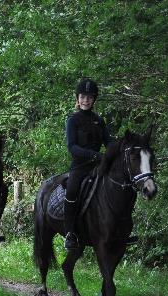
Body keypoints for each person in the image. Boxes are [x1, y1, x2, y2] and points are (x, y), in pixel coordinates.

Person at [63, 78, 113, 249]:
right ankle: (69, 233)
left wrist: (119, 150)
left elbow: (109, 143)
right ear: (77, 99)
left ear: (94, 100)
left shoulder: (99, 121)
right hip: (80, 166)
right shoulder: (73, 120)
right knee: (71, 190)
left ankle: (118, 230)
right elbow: (72, 147)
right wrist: (94, 155)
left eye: (90, 97)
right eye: (83, 97)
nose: (86, 100)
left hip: (99, 166)